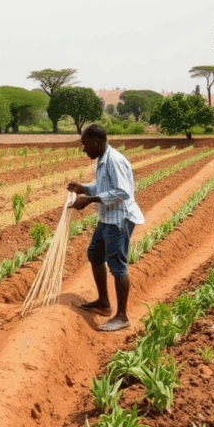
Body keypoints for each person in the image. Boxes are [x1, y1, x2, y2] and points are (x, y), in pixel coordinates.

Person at [66, 124, 144, 331]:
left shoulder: (114, 160)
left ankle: (122, 316)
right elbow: (104, 189)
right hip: (108, 218)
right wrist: (84, 189)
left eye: (85, 145)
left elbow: (123, 192)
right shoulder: (103, 160)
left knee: (117, 266)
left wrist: (90, 199)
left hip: (119, 219)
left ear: (96, 142)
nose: (84, 150)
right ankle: (103, 302)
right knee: (95, 254)